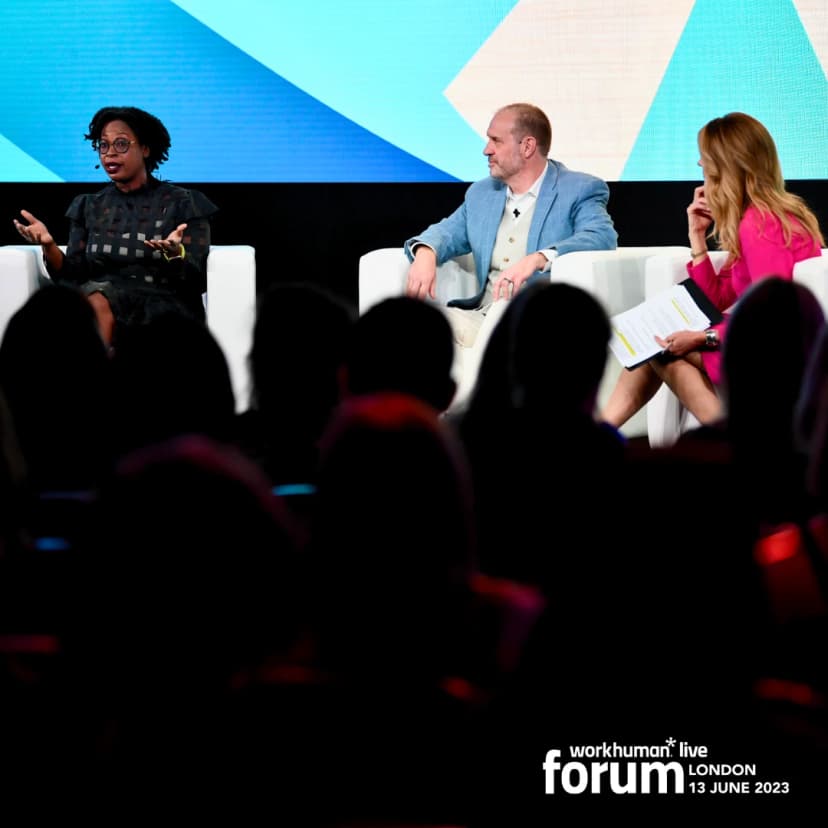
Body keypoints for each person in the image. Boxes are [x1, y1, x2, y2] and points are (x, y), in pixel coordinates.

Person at [602, 112, 824, 428]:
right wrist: (697, 237)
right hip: (760, 339)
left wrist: (702, 338)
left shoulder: (760, 226)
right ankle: (595, 434)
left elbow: (769, 318)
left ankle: (729, 440)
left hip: (772, 352)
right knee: (655, 346)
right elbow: (715, 299)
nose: (699, 165)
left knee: (659, 349)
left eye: (705, 159)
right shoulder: (762, 218)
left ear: (724, 168)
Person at [404, 102, 617, 357]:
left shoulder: (579, 189)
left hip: (537, 322)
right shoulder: (482, 193)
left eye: (496, 141)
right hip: (482, 317)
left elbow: (601, 236)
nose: (486, 150)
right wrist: (426, 252)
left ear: (527, 146)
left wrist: (539, 258)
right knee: (405, 323)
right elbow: (448, 232)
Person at [13, 106, 217, 346]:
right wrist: (49, 246)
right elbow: (72, 277)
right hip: (100, 301)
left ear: (145, 148)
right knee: (87, 300)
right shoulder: (89, 206)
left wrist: (175, 254)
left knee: (95, 302)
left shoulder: (183, 203)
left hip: (163, 306)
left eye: (121, 144)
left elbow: (198, 280)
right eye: (103, 145)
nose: (109, 153)